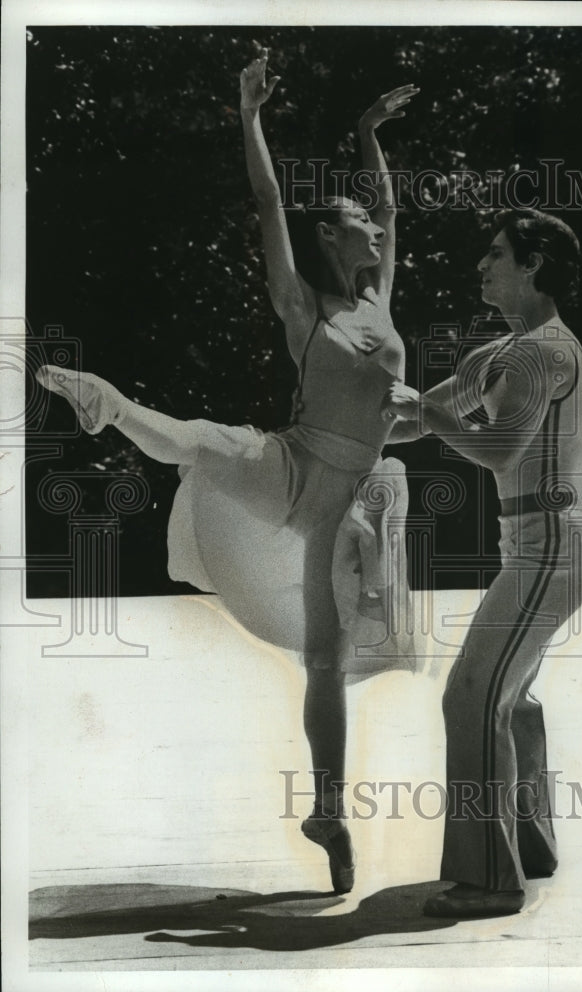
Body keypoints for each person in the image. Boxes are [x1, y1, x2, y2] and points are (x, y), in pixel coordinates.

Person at [36, 49, 419, 896]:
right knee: (200, 442)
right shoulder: (304, 306)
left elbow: (390, 202)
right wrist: (247, 116)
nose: (379, 232)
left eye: (377, 226)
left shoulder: (379, 298)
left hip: (343, 504)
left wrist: (366, 131)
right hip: (292, 462)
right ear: (330, 236)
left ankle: (327, 809)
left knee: (326, 662)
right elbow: (269, 199)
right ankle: (101, 398)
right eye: (361, 224)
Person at [384, 208, 582, 918]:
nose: (480, 265)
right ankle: (528, 848)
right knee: (510, 697)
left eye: (495, 253)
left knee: (470, 697)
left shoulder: (542, 352)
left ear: (533, 264)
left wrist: (423, 409)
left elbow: (497, 447)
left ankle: (487, 880)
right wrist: (343, 422)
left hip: (551, 548)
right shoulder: (504, 351)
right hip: (538, 548)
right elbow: (420, 417)